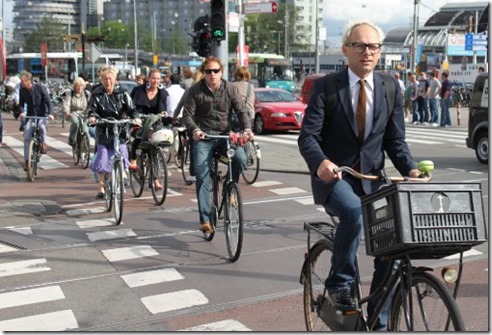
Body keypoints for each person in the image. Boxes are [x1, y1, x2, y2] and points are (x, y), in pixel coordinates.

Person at [298, 20, 421, 331]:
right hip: (336, 178)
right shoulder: (327, 86)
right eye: (360, 46)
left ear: (380, 52)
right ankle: (340, 283)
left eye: (373, 46)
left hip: (373, 180)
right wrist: (320, 162)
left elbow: (395, 141)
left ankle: (377, 323)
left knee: (393, 249)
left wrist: (410, 168)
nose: (367, 52)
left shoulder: (391, 87)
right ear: (345, 50)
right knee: (353, 212)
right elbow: (308, 136)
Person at [181, 56, 254, 233]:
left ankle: (230, 188)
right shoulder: (195, 90)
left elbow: (241, 111)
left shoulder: (230, 88)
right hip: (204, 137)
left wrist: (247, 129)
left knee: (240, 158)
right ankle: (205, 219)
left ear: (221, 72)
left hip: (224, 136)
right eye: (208, 71)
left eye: (216, 71)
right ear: (203, 73)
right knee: (201, 172)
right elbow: (187, 115)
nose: (212, 74)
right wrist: (195, 130)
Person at [87, 66, 140, 199]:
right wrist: (92, 117)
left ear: (115, 79)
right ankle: (101, 187)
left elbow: (132, 109)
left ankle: (123, 174)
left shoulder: (122, 93)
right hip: (104, 129)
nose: (108, 82)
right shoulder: (97, 94)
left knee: (122, 150)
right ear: (101, 79)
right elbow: (91, 109)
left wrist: (135, 117)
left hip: (120, 128)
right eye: (105, 79)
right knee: (103, 154)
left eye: (110, 79)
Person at [128, 68, 170, 188]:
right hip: (140, 120)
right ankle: (134, 160)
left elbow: (164, 108)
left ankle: (156, 179)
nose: (156, 81)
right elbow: (131, 106)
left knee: (155, 149)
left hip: (154, 123)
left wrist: (164, 114)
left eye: (158, 78)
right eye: (153, 78)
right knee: (138, 137)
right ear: (148, 78)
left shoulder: (162, 93)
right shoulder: (138, 91)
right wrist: (135, 116)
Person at [18, 71, 54, 171]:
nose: (21, 83)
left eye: (23, 81)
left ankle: (43, 144)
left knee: (42, 127)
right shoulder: (22, 90)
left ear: (28, 81)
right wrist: (21, 112)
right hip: (31, 115)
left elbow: (48, 101)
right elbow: (21, 104)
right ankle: (26, 161)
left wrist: (50, 114)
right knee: (27, 136)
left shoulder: (40, 88)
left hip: (42, 115)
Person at [64, 77, 91, 146]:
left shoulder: (87, 94)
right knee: (76, 123)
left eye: (81, 86)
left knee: (85, 130)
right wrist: (67, 112)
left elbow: (90, 105)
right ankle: (72, 139)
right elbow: (67, 103)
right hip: (73, 113)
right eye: (77, 86)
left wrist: (90, 113)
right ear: (75, 86)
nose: (79, 88)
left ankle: (86, 146)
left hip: (84, 113)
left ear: (83, 86)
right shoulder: (70, 93)